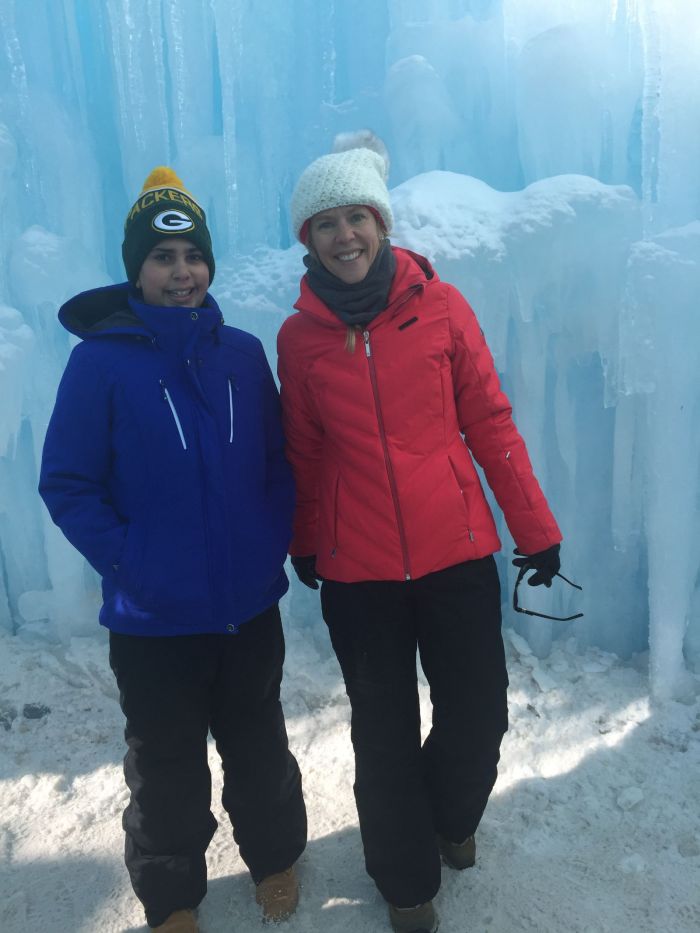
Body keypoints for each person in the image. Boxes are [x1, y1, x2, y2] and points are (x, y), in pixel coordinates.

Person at [277, 136, 563, 933]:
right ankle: (404, 881)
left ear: (381, 222)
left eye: (355, 218)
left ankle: (449, 815)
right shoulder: (299, 339)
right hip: (359, 573)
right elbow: (303, 449)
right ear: (309, 238)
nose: (343, 236)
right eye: (325, 223)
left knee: (479, 714)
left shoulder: (441, 306)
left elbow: (489, 422)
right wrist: (306, 538)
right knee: (384, 735)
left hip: (455, 553)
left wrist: (534, 527)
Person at [39, 168, 307, 933]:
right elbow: (68, 481)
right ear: (137, 270)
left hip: (247, 608)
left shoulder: (242, 355)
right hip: (153, 618)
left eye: (193, 255)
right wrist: (133, 563)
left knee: (260, 746)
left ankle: (275, 857)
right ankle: (172, 896)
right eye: (163, 258)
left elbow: (276, 462)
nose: (181, 271)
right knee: (165, 767)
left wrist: (268, 542)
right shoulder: (100, 363)